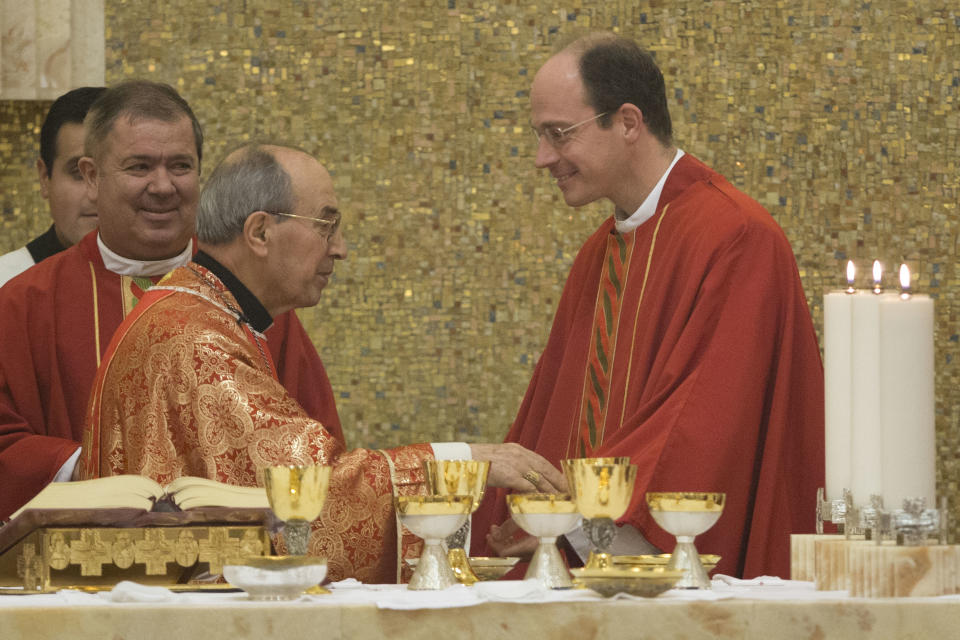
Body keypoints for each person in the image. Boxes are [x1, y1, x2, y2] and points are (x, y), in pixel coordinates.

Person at [78, 144, 566, 583]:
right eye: (326, 225)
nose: (340, 248)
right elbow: (309, 500)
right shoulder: (197, 338)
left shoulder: (203, 313)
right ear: (261, 231)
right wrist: (463, 463)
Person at [472, 33, 825, 579]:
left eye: (558, 134)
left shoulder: (735, 236)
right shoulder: (599, 252)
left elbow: (705, 424)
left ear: (629, 122)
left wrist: (570, 521)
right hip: (582, 577)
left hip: (688, 578)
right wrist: (532, 515)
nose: (543, 158)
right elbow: (556, 407)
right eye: (539, 136)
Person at [0, 81, 340, 521]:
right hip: (77, 565)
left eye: (180, 166)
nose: (163, 186)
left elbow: (315, 443)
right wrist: (97, 467)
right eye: (139, 166)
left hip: (227, 571)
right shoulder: (26, 302)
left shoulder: (254, 297)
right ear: (91, 176)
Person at [0, 87, 105, 287]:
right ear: (44, 178)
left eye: (107, 172)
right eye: (79, 173)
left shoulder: (172, 284)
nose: (95, 193)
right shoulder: (6, 283)